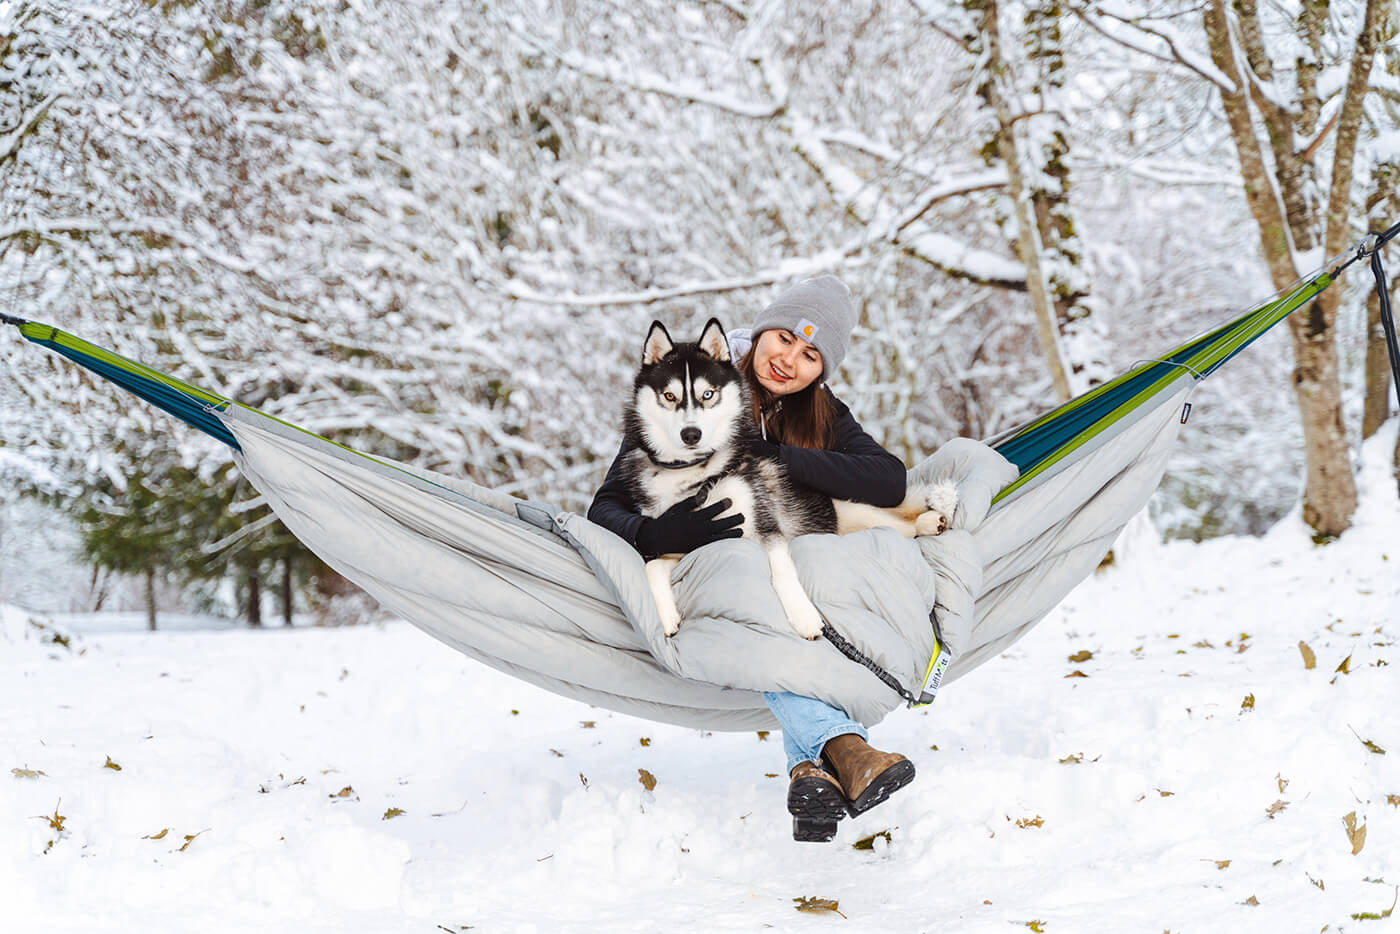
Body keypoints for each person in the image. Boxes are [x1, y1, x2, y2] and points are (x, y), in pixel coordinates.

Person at [588, 275, 916, 842]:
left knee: (795, 588)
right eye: (785, 338)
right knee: (758, 592)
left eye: (811, 354)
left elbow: (888, 480)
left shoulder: (821, 412)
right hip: (711, 579)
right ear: (763, 328)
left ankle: (813, 772)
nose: (790, 360)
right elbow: (606, 506)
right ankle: (843, 747)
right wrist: (660, 530)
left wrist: (775, 455)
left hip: (784, 569)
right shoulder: (690, 389)